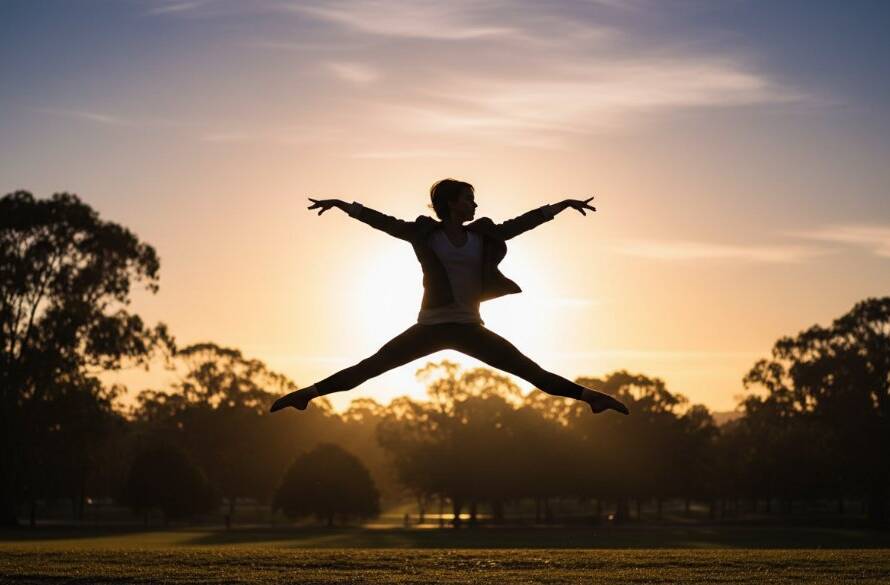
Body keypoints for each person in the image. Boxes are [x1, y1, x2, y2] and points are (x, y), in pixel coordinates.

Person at [271, 179, 629, 416]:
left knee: (529, 371)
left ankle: (590, 398)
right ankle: (307, 394)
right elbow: (384, 222)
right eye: (469, 199)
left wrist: (559, 206)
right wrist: (345, 206)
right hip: (429, 327)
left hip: (469, 328)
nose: (474, 205)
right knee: (370, 367)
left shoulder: (483, 235)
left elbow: (519, 224)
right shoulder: (424, 234)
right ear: (452, 204)